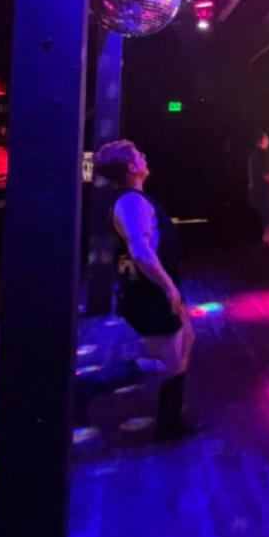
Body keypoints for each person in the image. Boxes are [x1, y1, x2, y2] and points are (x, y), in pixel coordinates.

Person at [93, 138, 201, 440]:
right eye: (138, 154)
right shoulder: (130, 202)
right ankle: (92, 385)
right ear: (131, 167)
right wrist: (168, 289)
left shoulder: (135, 199)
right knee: (168, 363)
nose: (143, 155)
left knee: (185, 342)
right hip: (149, 293)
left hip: (155, 289)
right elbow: (140, 252)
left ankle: (171, 421)